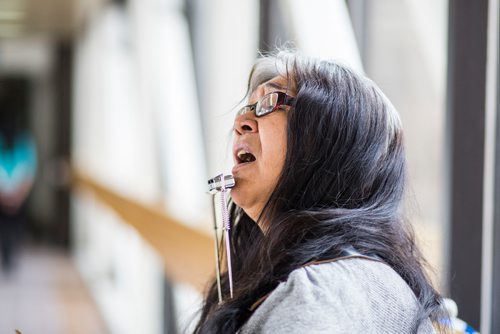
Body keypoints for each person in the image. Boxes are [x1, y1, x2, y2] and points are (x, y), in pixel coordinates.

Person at [194, 51, 447, 333]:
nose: (240, 122)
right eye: (247, 107)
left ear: (330, 143)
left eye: (269, 102)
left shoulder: (315, 296)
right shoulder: (365, 284)